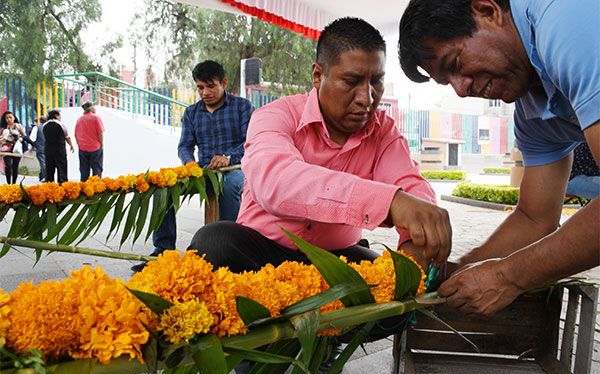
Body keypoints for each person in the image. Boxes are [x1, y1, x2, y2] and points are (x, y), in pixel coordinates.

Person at [189, 18, 451, 280]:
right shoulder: (275, 116)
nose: (367, 98)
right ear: (317, 75)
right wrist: (390, 201)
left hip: (335, 257)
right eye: (351, 81)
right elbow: (277, 182)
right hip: (261, 250)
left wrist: (416, 241)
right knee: (214, 241)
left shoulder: (383, 132)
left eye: (376, 82)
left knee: (387, 277)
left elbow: (413, 191)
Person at [399, 0, 600, 316]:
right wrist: (461, 271)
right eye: (447, 83)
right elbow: (535, 219)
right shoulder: (533, 112)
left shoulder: (564, 21)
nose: (461, 90)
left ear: (487, 11)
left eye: (455, 64)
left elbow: (512, 269)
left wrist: (508, 276)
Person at [131, 60, 254, 271]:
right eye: (200, 87)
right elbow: (185, 146)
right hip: (202, 171)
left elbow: (250, 142)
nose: (205, 92)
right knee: (164, 187)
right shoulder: (191, 113)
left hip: (234, 169)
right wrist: (189, 164)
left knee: (230, 185)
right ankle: (162, 252)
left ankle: (226, 252)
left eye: (210, 86)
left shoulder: (243, 107)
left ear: (223, 82)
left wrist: (228, 157)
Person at [74, 101, 105, 181]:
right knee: (97, 169)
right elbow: (100, 133)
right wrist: (101, 144)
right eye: (94, 106)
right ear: (90, 108)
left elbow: (76, 135)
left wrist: (80, 145)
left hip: (82, 148)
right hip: (95, 148)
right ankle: (96, 188)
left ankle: (84, 188)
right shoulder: (96, 118)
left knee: (84, 170)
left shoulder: (79, 119)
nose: (95, 108)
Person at [43, 109, 74, 183]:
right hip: (59, 150)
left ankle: (50, 187)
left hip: (48, 150)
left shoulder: (45, 125)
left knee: (49, 170)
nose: (61, 117)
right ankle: (62, 186)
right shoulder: (61, 125)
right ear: (56, 115)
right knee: (62, 169)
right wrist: (71, 145)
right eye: (60, 115)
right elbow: (67, 136)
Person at [0, 111, 31, 184]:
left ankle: (14, 183)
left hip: (17, 149)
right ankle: (8, 184)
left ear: (14, 118)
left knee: (15, 166)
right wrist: (3, 138)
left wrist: (20, 139)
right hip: (6, 149)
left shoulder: (18, 126)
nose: (9, 119)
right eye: (7, 118)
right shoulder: (3, 128)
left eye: (10, 117)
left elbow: (24, 136)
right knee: (8, 166)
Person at [29, 116, 47, 182]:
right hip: (49, 148)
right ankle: (41, 176)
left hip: (40, 148)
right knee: (46, 162)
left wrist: (30, 148)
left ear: (40, 121)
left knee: (42, 163)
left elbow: (32, 139)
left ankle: (45, 177)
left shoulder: (37, 128)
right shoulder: (49, 127)